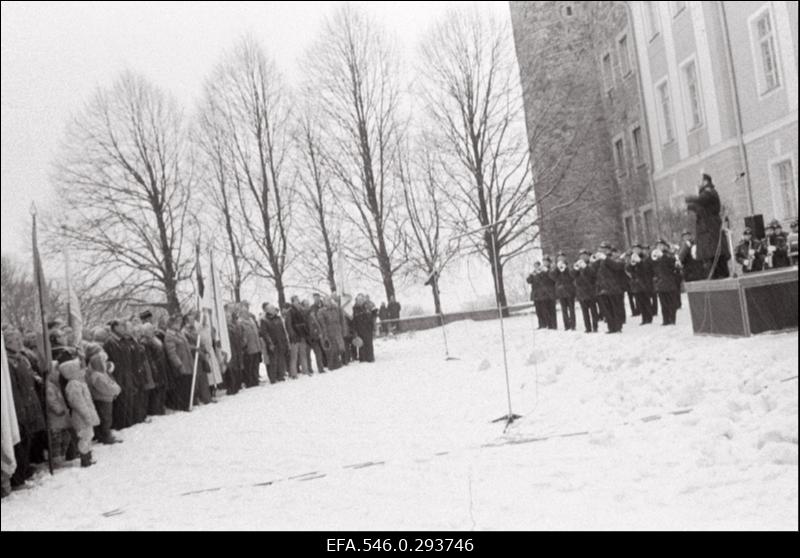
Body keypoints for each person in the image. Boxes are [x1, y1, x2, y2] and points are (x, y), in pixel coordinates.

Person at [4, 328, 46, 487]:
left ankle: (25, 469)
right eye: (15, 340)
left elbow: (29, 374)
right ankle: (18, 478)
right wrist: (19, 411)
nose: (19, 342)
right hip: (18, 408)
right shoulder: (7, 362)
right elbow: (13, 389)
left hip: (30, 404)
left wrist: (36, 378)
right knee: (19, 442)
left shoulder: (22, 358)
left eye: (19, 339)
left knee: (28, 440)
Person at [685, 174, 730, 279]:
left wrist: (689, 199)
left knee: (717, 258)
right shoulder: (705, 197)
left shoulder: (710, 192)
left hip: (711, 231)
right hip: (705, 234)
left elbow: (702, 200)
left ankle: (721, 275)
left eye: (701, 181)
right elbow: (700, 208)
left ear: (705, 181)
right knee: (710, 259)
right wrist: (690, 207)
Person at [59, 359, 100, 467]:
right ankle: (84, 458)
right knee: (85, 436)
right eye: (80, 369)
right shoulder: (73, 385)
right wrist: (87, 415)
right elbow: (78, 403)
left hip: (85, 414)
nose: (84, 371)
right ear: (73, 372)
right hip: (81, 416)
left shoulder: (79, 383)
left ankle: (87, 456)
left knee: (89, 434)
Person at [84, 343, 122, 445]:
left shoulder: (100, 373)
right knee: (105, 419)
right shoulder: (97, 375)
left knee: (105, 418)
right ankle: (105, 436)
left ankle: (104, 435)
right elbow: (106, 387)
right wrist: (116, 389)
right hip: (103, 399)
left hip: (105, 398)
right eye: (104, 362)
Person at [591, 241, 626, 333]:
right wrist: (593, 263)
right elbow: (593, 272)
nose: (602, 251)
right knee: (607, 310)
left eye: (605, 249)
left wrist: (606, 258)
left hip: (613, 287)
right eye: (601, 249)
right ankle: (611, 327)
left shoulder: (614, 257)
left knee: (615, 308)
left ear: (609, 250)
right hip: (602, 288)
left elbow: (618, 266)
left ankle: (618, 327)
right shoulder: (599, 260)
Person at [164, 314, 194, 411]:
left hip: (187, 363)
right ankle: (183, 406)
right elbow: (171, 352)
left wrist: (194, 348)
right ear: (171, 324)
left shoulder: (180, 333)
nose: (179, 324)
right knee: (182, 387)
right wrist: (179, 364)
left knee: (188, 385)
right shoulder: (169, 336)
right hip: (181, 365)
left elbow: (186, 345)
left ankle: (188, 403)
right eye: (176, 322)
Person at [651, 239, 682, 326]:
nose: (659, 247)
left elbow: (673, 264)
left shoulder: (669, 255)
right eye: (658, 245)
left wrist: (663, 256)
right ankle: (665, 320)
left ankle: (672, 319)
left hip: (670, 282)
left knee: (671, 303)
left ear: (665, 246)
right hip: (660, 284)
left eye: (661, 245)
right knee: (663, 303)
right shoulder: (655, 256)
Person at [570, 249, 599, 333]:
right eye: (581, 255)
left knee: (593, 310)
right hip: (581, 292)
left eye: (584, 255)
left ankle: (595, 326)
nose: (582, 257)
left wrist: (585, 267)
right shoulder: (577, 265)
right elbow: (572, 275)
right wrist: (576, 269)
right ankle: (588, 327)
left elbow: (593, 274)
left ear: (587, 256)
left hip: (591, 291)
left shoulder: (591, 264)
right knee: (584, 312)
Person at [625, 243, 654, 325]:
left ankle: (649, 317)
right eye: (634, 249)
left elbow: (647, 268)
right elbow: (627, 268)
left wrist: (640, 262)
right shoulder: (632, 257)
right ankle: (644, 318)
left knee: (646, 301)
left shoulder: (645, 257)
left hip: (644, 282)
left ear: (640, 249)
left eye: (637, 249)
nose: (635, 251)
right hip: (636, 284)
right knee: (639, 302)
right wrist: (631, 263)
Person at [285, 296, 310, 378]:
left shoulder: (301, 310)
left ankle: (305, 371)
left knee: (303, 354)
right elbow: (288, 325)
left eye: (298, 300)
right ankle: (293, 373)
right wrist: (292, 335)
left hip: (302, 335)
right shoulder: (289, 312)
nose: (298, 302)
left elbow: (304, 322)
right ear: (293, 302)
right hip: (295, 337)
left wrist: (305, 333)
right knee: (294, 356)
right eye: (296, 300)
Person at [238, 302, 262, 387]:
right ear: (241, 314)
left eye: (247, 312)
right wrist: (244, 345)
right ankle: (250, 382)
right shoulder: (240, 323)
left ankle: (255, 380)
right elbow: (241, 336)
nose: (248, 313)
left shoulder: (251, 320)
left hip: (255, 346)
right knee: (249, 366)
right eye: (245, 312)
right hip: (248, 347)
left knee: (256, 364)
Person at [318, 296, 345, 370]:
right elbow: (322, 324)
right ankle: (332, 365)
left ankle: (338, 362)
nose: (328, 302)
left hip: (337, 330)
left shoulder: (336, 309)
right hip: (329, 332)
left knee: (339, 348)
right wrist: (325, 334)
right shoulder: (321, 311)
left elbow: (340, 319)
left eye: (329, 300)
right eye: (326, 301)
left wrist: (341, 329)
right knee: (331, 349)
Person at [550, 252, 576, 330]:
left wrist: (566, 268)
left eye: (562, 257)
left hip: (569, 290)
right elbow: (552, 277)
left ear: (565, 258)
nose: (560, 259)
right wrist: (557, 269)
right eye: (559, 258)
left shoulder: (569, 266)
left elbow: (573, 276)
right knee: (564, 310)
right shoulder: (556, 268)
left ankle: (573, 325)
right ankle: (566, 325)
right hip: (561, 291)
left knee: (571, 309)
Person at [539, 256, 558, 329]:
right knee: (545, 310)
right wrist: (539, 273)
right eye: (543, 261)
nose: (544, 263)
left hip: (551, 291)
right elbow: (539, 280)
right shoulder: (542, 270)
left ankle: (554, 325)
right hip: (544, 292)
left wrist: (547, 271)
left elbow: (554, 278)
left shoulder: (552, 269)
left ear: (549, 262)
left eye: (546, 261)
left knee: (552, 309)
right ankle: (549, 325)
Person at [527, 262, 546, 329]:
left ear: (539, 266)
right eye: (534, 266)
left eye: (537, 266)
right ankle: (540, 324)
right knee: (538, 311)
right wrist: (530, 275)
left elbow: (542, 280)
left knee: (543, 309)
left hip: (542, 293)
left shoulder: (542, 272)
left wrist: (538, 273)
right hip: (535, 294)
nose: (535, 267)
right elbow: (529, 281)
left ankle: (545, 323)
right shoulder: (533, 273)